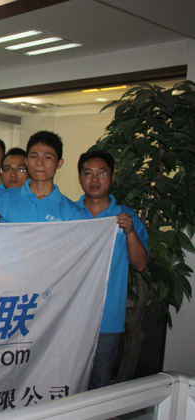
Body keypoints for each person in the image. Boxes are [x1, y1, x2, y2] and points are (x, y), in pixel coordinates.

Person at [77, 150, 148, 390]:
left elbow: (141, 264)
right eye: (88, 174)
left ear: (112, 177)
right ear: (80, 178)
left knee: (99, 386)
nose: (94, 180)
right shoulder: (69, 214)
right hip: (70, 316)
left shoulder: (127, 217)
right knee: (65, 383)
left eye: (102, 173)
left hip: (107, 319)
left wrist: (130, 232)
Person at [0, 131, 84, 223]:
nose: (39, 162)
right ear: (26, 161)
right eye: (34, 157)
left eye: (47, 157)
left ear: (59, 163)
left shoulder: (72, 213)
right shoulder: (4, 199)